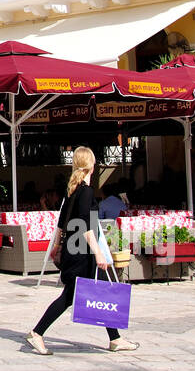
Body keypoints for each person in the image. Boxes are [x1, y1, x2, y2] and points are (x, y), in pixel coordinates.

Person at [26, 146, 138, 355]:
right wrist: (98, 253)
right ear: (91, 166)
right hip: (82, 252)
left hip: (73, 248)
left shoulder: (73, 191)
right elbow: (87, 228)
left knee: (102, 289)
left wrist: (57, 246)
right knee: (70, 296)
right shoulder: (85, 192)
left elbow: (61, 223)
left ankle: (115, 338)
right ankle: (37, 333)